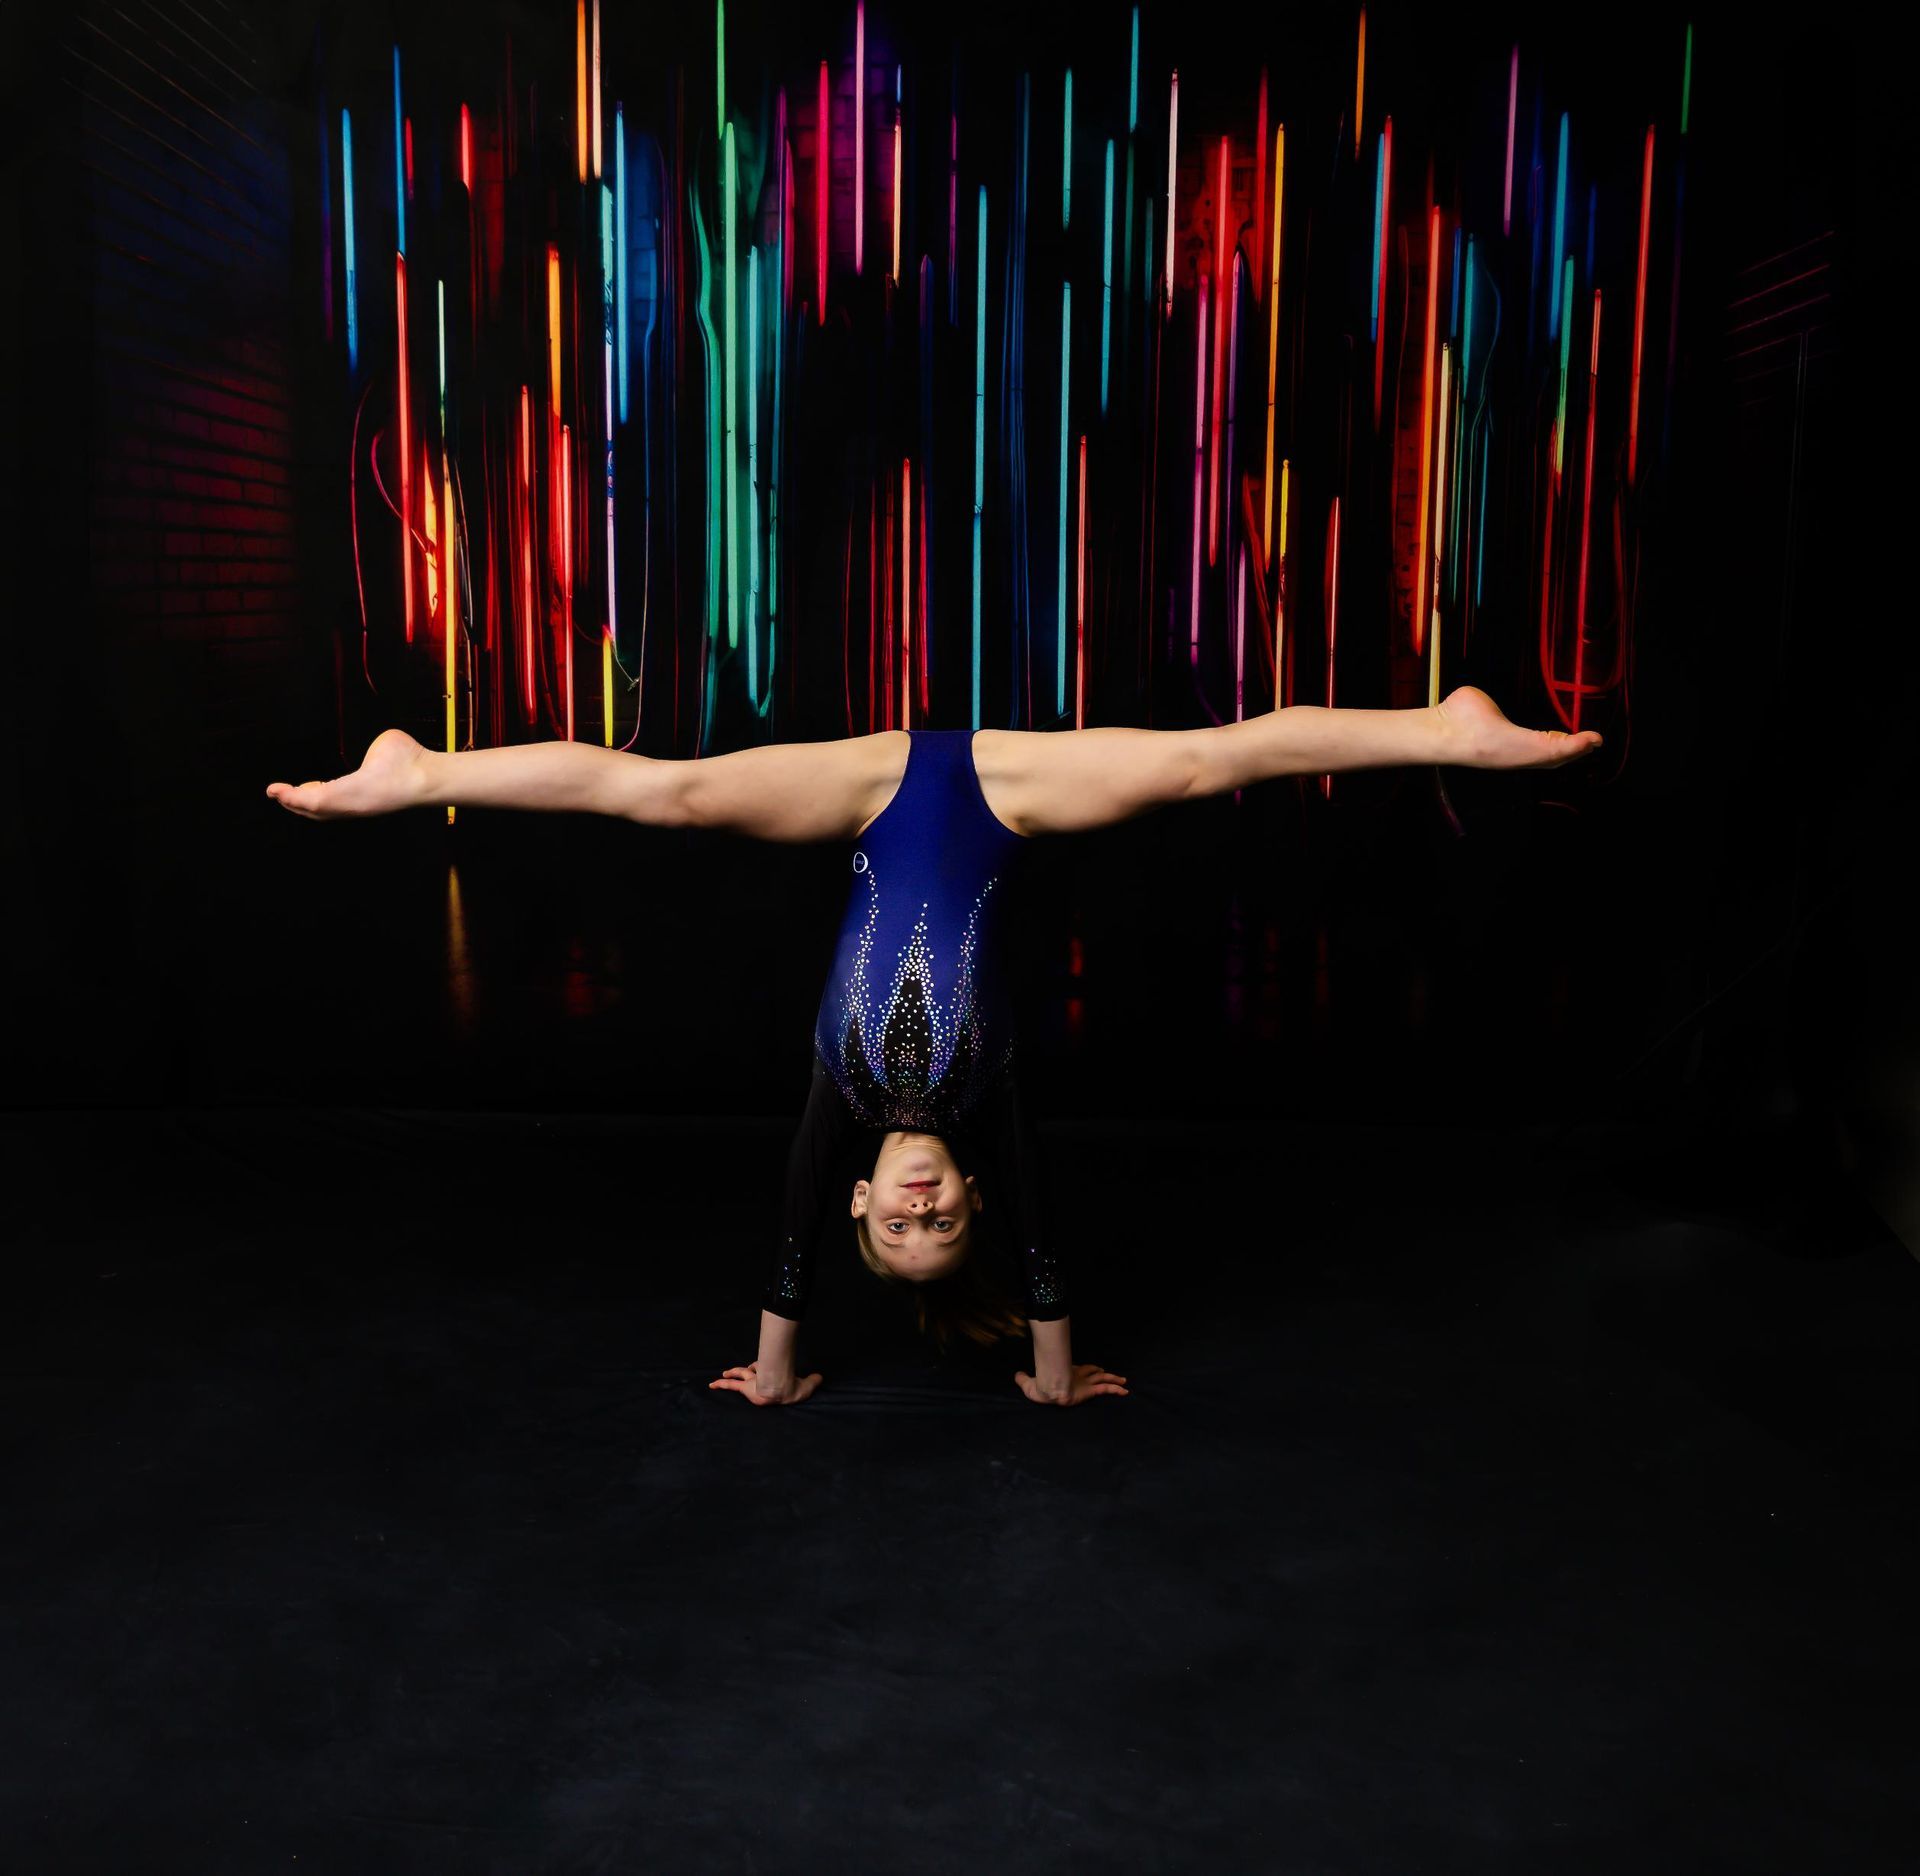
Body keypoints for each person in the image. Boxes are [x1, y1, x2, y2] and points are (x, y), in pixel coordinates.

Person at [266, 688, 1602, 1408]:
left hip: (862, 792)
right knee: (1211, 763)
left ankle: (417, 767)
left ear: (863, 1198)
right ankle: (1445, 730)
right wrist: (1054, 1369)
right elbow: (1043, 1240)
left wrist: (778, 1369)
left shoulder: (838, 1108)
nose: (917, 1212)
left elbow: (792, 1232)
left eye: (894, 1231)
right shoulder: (991, 1096)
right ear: (965, 1190)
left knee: (663, 793)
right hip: (1006, 796)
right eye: (940, 1222)